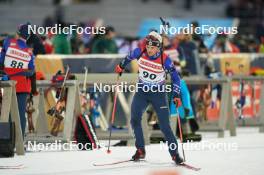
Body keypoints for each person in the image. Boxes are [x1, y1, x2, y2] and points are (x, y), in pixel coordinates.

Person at [115, 31, 184, 164]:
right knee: (135, 120)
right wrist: (121, 66)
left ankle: (175, 154)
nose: (149, 50)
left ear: (158, 47)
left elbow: (176, 78)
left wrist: (176, 95)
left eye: (153, 47)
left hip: (158, 94)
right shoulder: (139, 52)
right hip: (142, 92)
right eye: (148, 46)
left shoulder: (165, 59)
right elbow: (128, 58)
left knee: (165, 126)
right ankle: (140, 150)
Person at [0, 23, 37, 138]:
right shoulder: (29, 52)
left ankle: (7, 140)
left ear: (18, 33)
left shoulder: (7, 43)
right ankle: (19, 142)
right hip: (22, 86)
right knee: (20, 115)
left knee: (7, 114)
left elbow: (1, 61)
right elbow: (31, 72)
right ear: (29, 36)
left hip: (7, 84)